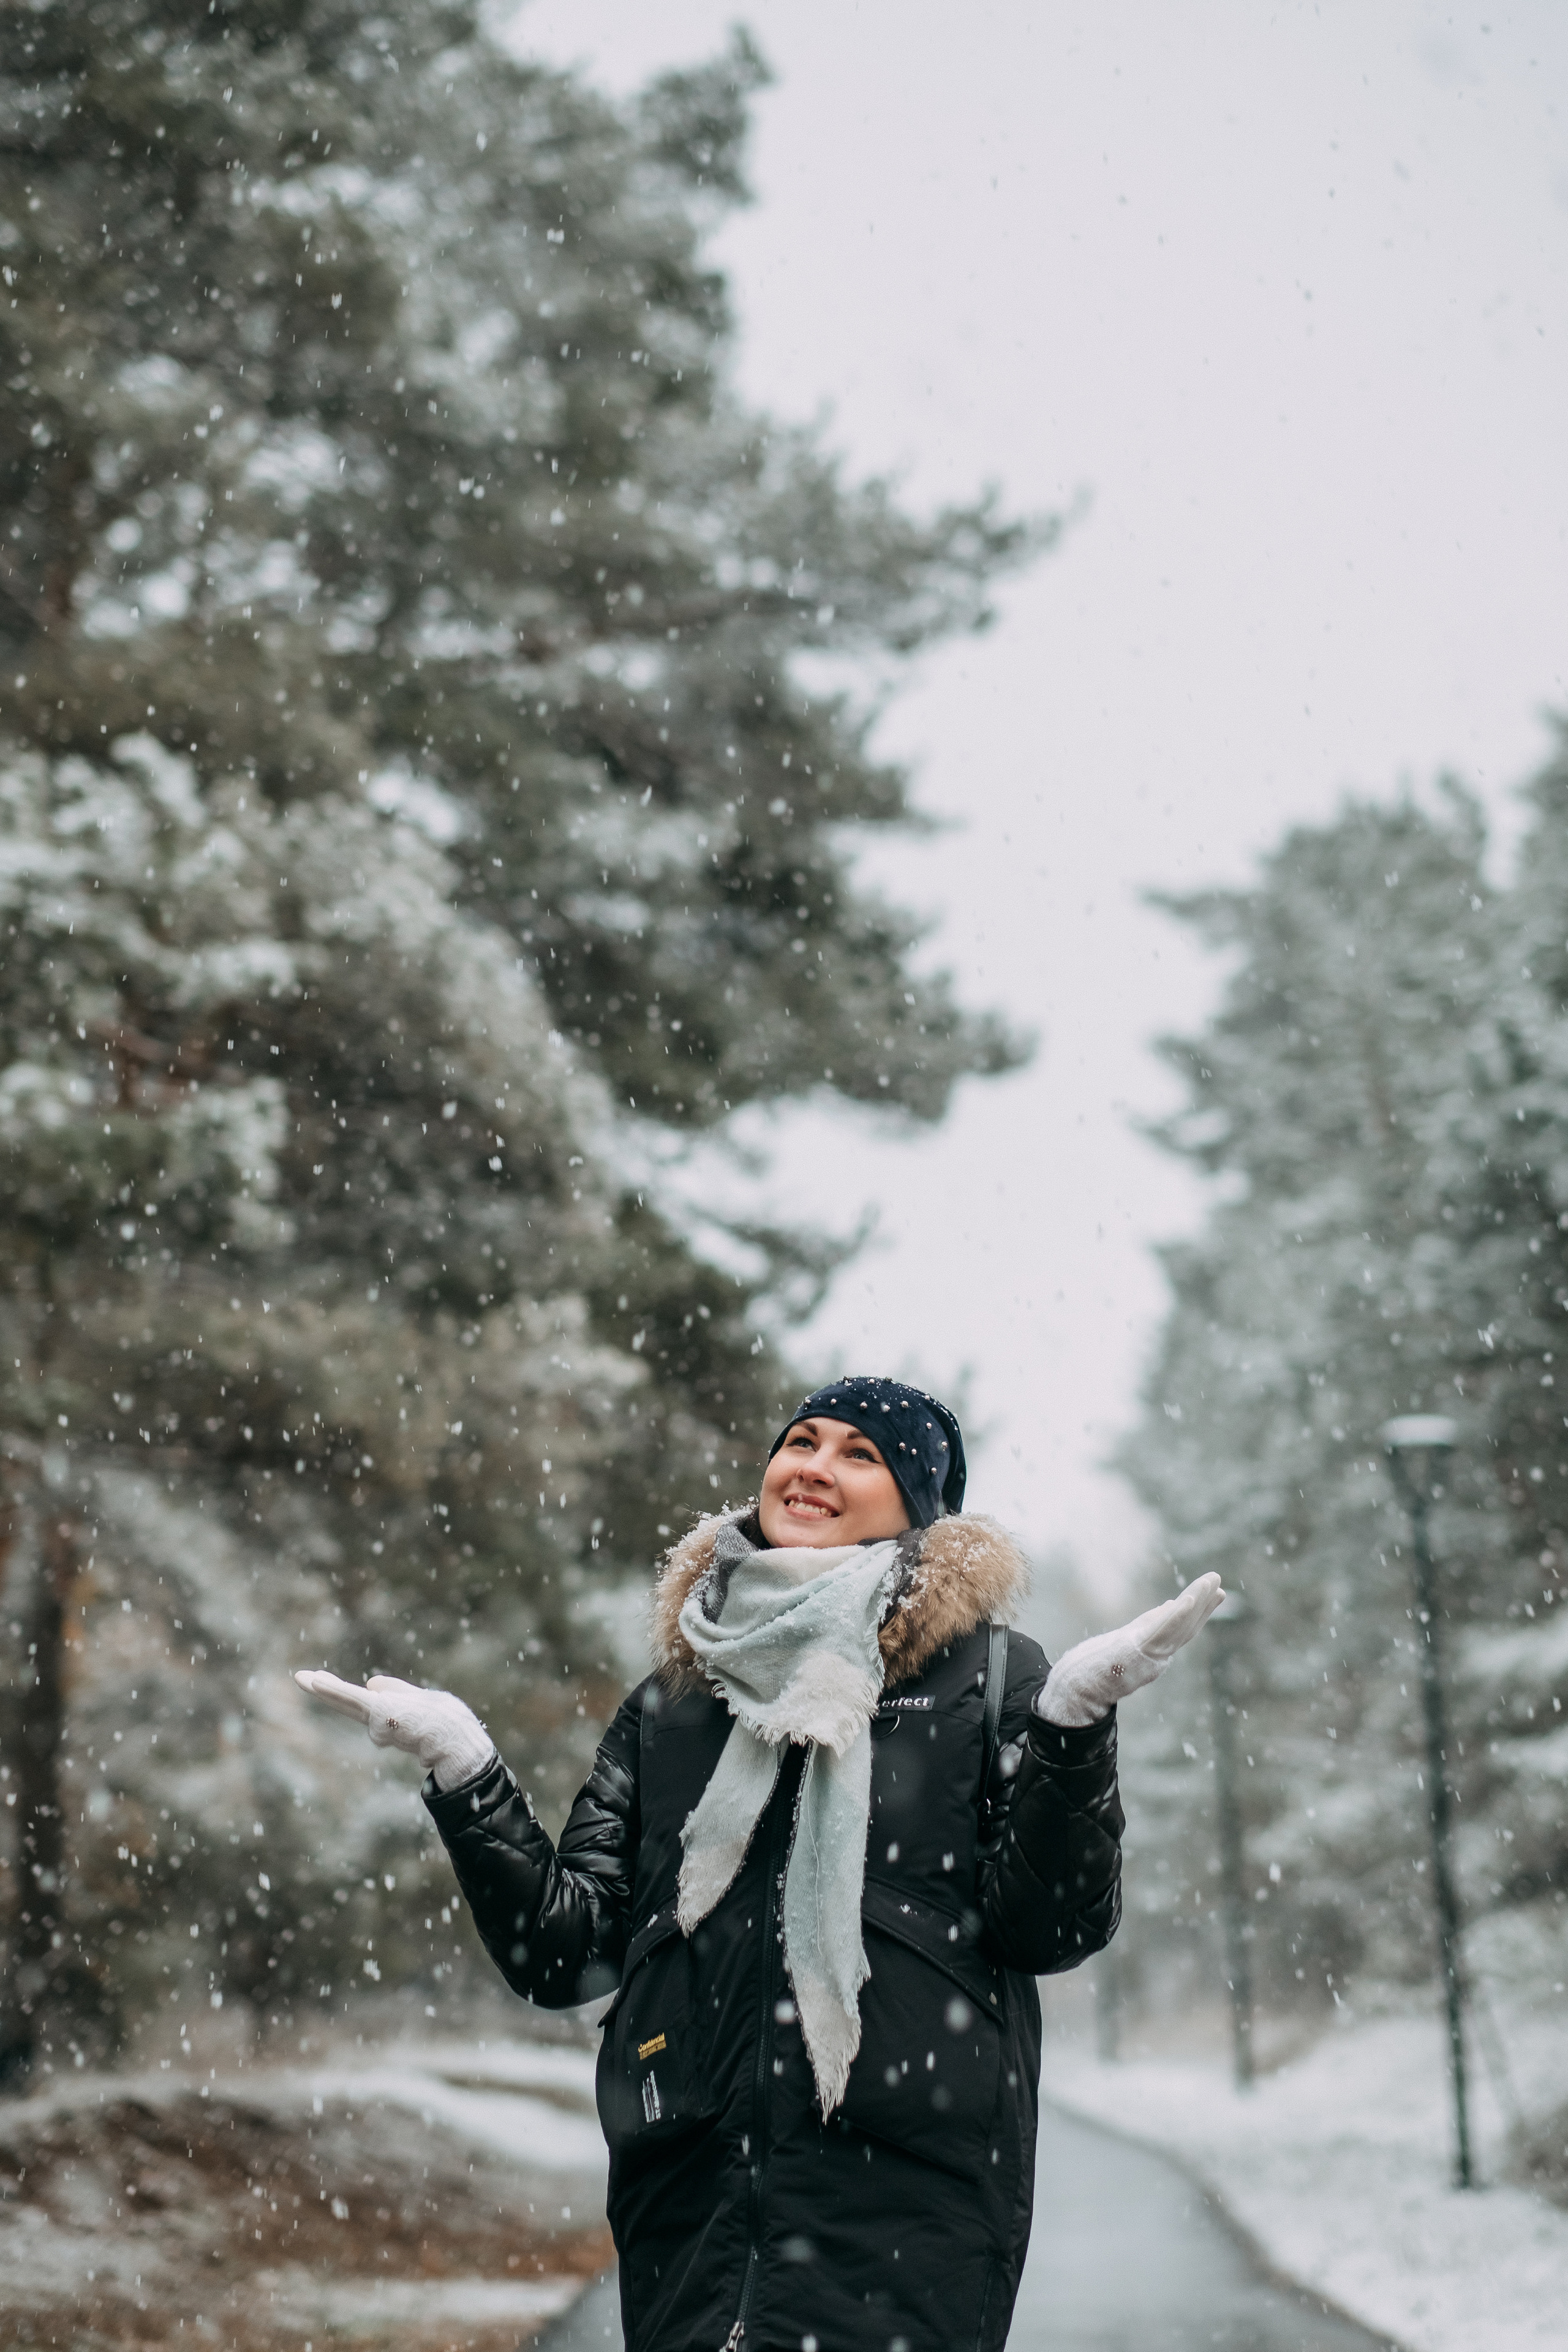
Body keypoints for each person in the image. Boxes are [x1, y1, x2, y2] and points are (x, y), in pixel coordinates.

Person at [298, 1376, 1222, 2352]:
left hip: (908, 2201)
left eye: (859, 1455)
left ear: (916, 1505)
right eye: (802, 1442)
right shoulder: (677, 1702)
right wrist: (466, 1770)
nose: (815, 1467)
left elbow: (1052, 1927)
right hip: (688, 2199)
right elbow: (567, 1954)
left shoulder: (989, 1679)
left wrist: (1072, 1727)